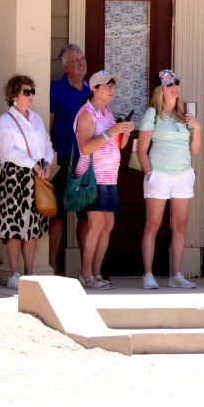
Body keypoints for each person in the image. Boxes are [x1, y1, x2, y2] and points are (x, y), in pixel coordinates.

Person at [137, 69, 201, 290]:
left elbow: (195, 150)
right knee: (153, 225)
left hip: (183, 173)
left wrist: (197, 128)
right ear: (161, 89)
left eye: (177, 82)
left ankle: (176, 275)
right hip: (159, 174)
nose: (175, 87)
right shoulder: (152, 114)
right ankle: (147, 274)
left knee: (180, 225)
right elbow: (142, 149)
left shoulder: (185, 114)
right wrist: (150, 174)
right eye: (170, 84)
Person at [74, 70, 134, 290]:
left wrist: (123, 134)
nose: (111, 89)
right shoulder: (86, 114)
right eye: (107, 86)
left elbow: (117, 145)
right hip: (92, 176)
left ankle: (96, 273)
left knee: (107, 225)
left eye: (112, 85)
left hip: (109, 177)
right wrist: (112, 131)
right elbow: (86, 147)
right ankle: (85, 273)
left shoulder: (107, 112)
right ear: (94, 89)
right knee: (96, 224)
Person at [0, 75, 54, 290]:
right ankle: (13, 273)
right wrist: (33, 165)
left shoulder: (36, 118)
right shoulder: (5, 121)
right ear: (14, 96)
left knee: (32, 227)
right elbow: (8, 151)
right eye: (26, 92)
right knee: (14, 226)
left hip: (37, 175)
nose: (30, 96)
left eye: (32, 91)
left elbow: (47, 143)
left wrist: (46, 163)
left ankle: (29, 273)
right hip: (15, 176)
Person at [49, 44, 90, 275]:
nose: (81, 63)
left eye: (82, 59)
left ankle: (86, 269)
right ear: (65, 67)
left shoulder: (92, 91)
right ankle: (52, 267)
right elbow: (49, 126)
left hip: (87, 161)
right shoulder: (54, 90)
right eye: (75, 61)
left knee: (86, 215)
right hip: (62, 159)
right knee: (57, 216)